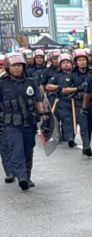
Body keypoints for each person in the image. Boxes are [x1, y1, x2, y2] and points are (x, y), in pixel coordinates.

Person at [0, 53, 45, 190]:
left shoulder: (30, 82)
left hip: (28, 122)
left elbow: (38, 101)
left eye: (20, 65)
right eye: (14, 66)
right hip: (10, 124)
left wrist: (44, 117)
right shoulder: (2, 84)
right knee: (17, 149)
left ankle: (27, 175)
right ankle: (21, 177)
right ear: (8, 67)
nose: (17, 68)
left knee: (28, 149)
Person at [45, 53, 83, 149]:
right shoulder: (57, 75)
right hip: (62, 101)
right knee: (67, 119)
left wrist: (74, 89)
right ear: (60, 65)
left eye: (68, 62)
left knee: (76, 119)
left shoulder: (76, 74)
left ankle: (72, 136)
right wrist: (58, 86)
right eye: (63, 63)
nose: (66, 64)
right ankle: (69, 138)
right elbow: (48, 86)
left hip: (76, 100)